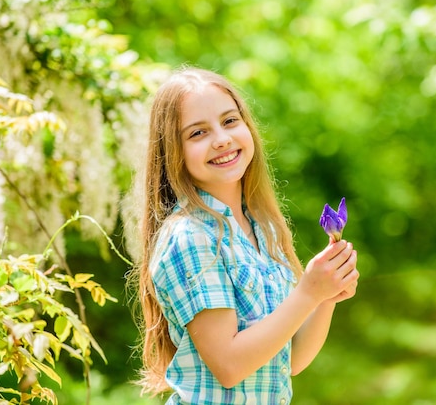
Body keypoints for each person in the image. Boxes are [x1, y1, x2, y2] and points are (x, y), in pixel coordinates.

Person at [127, 67, 359, 404]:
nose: (221, 138)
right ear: (173, 152)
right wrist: (308, 292)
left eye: (230, 121)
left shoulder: (260, 227)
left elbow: (289, 360)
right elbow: (230, 365)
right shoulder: (190, 237)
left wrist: (325, 296)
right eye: (197, 133)